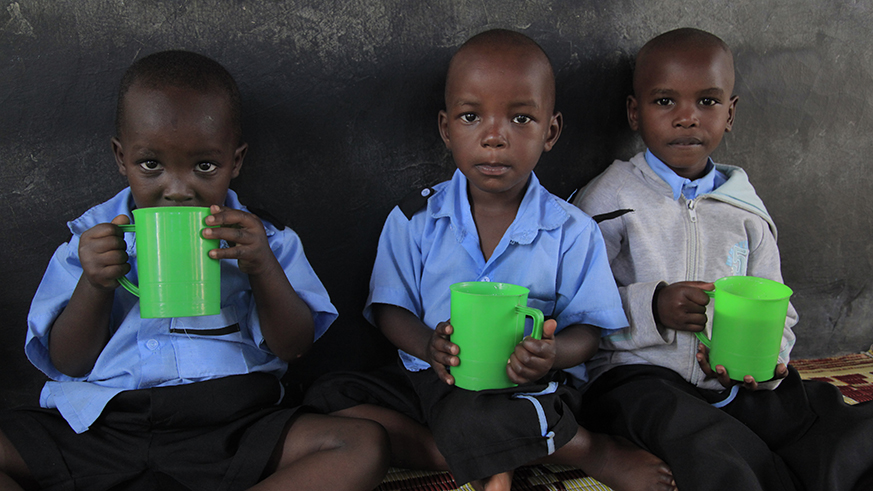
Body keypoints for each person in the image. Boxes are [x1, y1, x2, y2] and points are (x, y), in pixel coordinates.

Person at [304, 29, 677, 491]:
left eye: (521, 118)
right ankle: (470, 450)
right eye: (470, 116)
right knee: (330, 397)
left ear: (551, 132)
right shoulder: (414, 218)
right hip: (431, 377)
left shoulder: (571, 229)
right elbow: (389, 307)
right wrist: (428, 348)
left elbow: (590, 328)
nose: (494, 137)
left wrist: (550, 354)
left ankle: (588, 448)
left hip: (521, 387)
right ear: (446, 129)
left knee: (496, 410)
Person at [0, 50, 389, 491]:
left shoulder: (267, 239)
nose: (179, 189)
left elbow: (294, 346)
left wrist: (262, 268)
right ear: (120, 157)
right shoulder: (88, 241)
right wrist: (94, 284)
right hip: (103, 425)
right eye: (151, 165)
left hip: (230, 423)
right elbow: (69, 362)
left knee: (361, 445)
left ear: (235, 161)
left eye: (205, 166)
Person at [573, 27, 873, 491]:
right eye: (665, 101)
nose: (687, 118)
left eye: (708, 102)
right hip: (637, 378)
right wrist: (652, 306)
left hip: (733, 382)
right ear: (635, 112)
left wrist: (770, 361)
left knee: (826, 418)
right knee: (707, 442)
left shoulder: (745, 210)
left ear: (730, 113)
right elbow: (575, 302)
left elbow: (779, 304)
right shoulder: (607, 201)